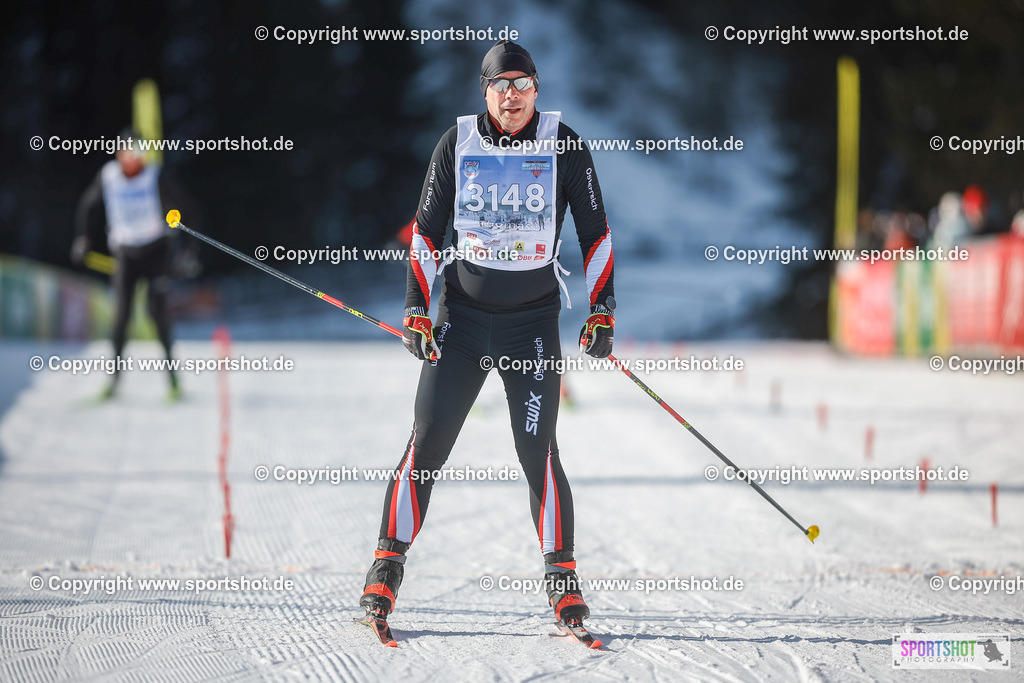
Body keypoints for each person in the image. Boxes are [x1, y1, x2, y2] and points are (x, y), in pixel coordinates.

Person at [359, 40, 616, 633]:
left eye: (522, 84)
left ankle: (562, 580)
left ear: (536, 89)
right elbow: (425, 233)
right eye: (501, 85)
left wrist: (601, 310)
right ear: (485, 90)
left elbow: (596, 232)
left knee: (539, 453)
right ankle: (384, 569)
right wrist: (415, 308)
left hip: (531, 326)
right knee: (425, 446)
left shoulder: (565, 145)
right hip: (464, 321)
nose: (512, 96)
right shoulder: (458, 143)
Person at [72, 130, 195, 400]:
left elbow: (183, 208)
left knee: (157, 313)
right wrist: (84, 239)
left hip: (155, 251)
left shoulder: (154, 175)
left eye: (139, 152)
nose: (134, 158)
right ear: (119, 153)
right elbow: (88, 206)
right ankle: (113, 382)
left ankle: (173, 381)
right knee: (121, 317)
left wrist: (185, 250)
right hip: (125, 254)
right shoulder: (109, 176)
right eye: (128, 152)